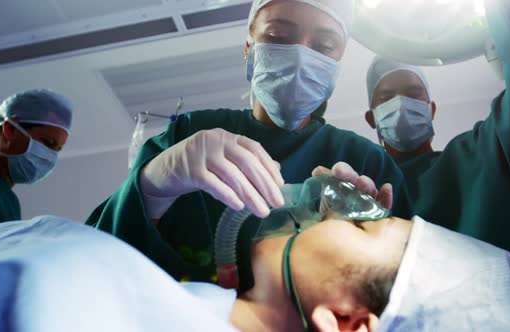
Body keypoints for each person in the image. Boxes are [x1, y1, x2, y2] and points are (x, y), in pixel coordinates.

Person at [86, 0, 413, 284]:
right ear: (249, 49)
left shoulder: (365, 162)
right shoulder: (189, 134)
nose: (301, 54)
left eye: (324, 46)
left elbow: (409, 291)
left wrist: (370, 244)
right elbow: (91, 257)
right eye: (279, 36)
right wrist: (152, 187)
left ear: (338, 62)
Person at [0, 213, 510, 331]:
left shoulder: (70, 297)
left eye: (365, 227)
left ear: (347, 324)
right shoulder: (176, 301)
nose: (336, 209)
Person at [363, 0, 510, 265]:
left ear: (431, 108)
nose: (400, 102)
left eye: (413, 93)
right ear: (371, 118)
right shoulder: (363, 188)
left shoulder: (484, 154)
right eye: (386, 97)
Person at [0, 89, 73, 227]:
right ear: (10, 129)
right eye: (48, 143)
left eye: (57, 150)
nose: (51, 157)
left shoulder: (11, 203)